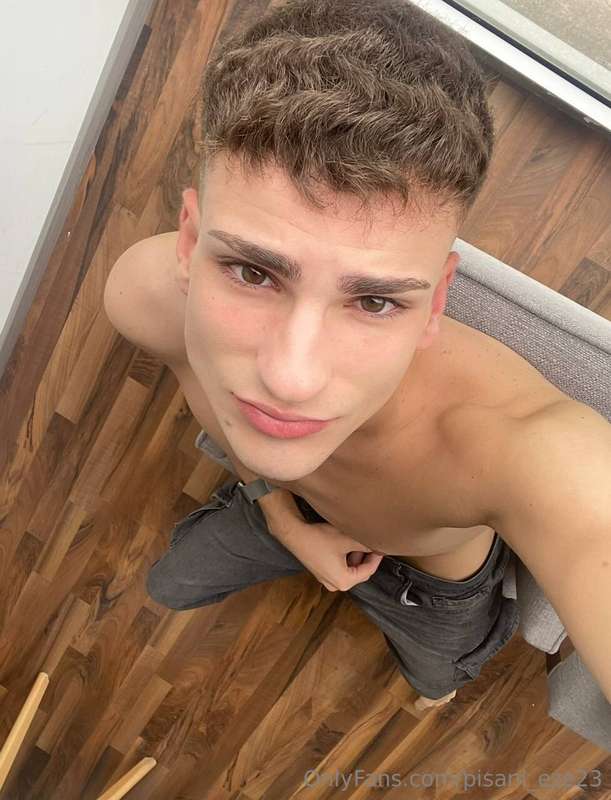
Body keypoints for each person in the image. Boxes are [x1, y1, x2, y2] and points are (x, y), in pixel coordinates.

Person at [103, 0, 611, 708]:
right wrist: (280, 514)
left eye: (374, 301)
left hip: (428, 580)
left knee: (434, 679)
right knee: (168, 584)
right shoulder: (144, 299)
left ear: (435, 300)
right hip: (281, 503)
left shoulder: (521, 445)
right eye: (252, 272)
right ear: (190, 243)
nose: (291, 379)